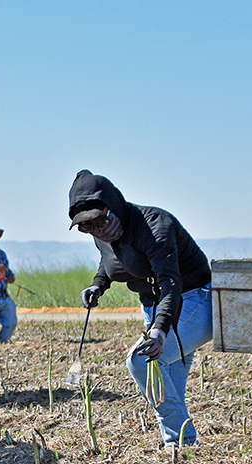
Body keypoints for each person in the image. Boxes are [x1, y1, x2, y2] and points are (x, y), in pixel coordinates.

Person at [69, 170, 212, 448]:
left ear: (114, 205)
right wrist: (98, 285)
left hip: (191, 301)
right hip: (152, 306)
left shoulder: (155, 225)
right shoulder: (101, 232)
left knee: (141, 361)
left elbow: (170, 282)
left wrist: (159, 330)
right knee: (167, 385)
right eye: (88, 227)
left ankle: (179, 442)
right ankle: (183, 447)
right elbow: (109, 260)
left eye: (100, 220)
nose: (98, 229)